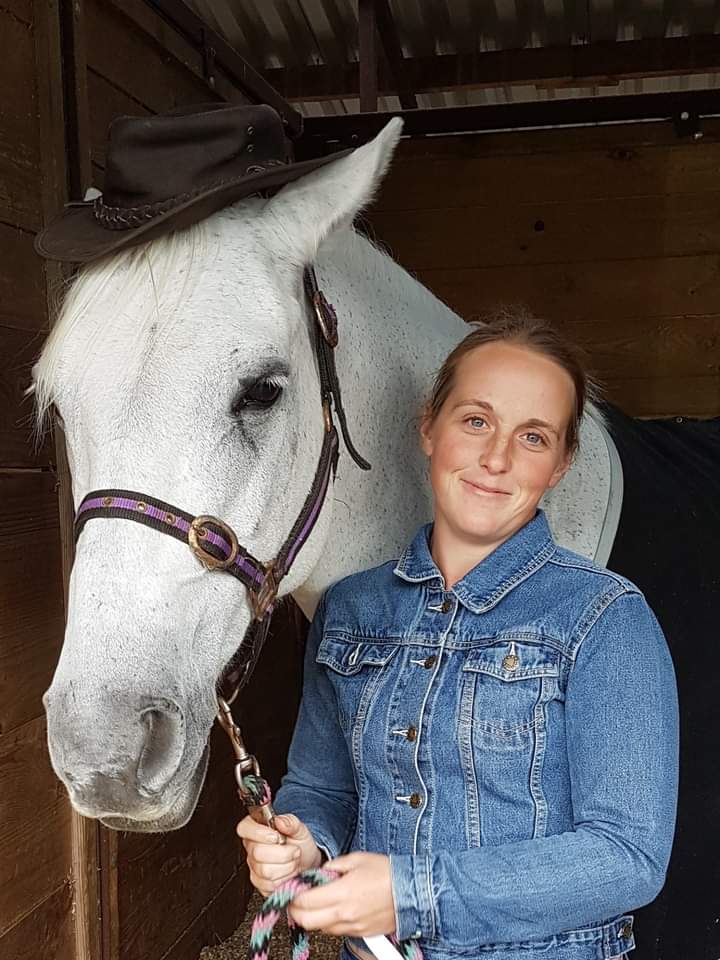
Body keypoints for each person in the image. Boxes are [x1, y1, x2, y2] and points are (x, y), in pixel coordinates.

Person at [237, 310, 679, 960]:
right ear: (428, 425)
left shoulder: (605, 618)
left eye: (533, 438)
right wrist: (304, 843)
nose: (496, 459)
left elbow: (628, 857)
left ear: (560, 465)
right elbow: (324, 787)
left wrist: (410, 892)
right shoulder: (350, 610)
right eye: (476, 421)